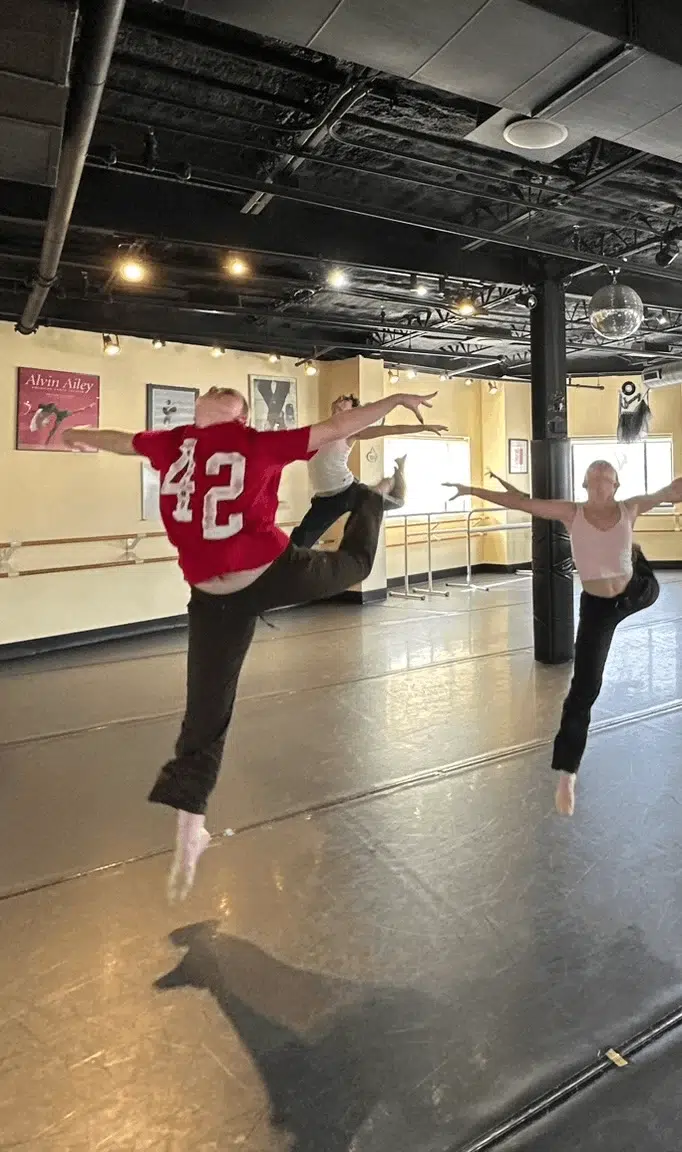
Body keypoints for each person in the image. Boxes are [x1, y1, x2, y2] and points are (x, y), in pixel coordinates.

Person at [63, 384, 438, 898]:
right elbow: (124, 440)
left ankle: (372, 500)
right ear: (222, 416)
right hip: (234, 588)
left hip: (243, 579)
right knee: (205, 714)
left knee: (352, 570)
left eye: (225, 395)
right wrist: (84, 434)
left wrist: (82, 434)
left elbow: (123, 440)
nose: (218, 394)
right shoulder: (214, 442)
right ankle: (190, 828)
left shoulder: (201, 443)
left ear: (233, 416)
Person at [449, 461, 682, 816]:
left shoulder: (630, 507)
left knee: (649, 581)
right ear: (586, 482)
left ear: (616, 485)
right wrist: (472, 491)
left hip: (635, 591)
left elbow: (670, 491)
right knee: (584, 689)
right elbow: (522, 504)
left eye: (607, 473)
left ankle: (634, 556)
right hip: (597, 610)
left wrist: (673, 490)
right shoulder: (571, 513)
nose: (601, 473)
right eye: (595, 471)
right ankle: (567, 773)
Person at [291, 393, 446, 548]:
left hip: (345, 490)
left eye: (346, 400)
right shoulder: (322, 429)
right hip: (323, 498)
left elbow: (392, 429)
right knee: (299, 541)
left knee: (392, 501)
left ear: (353, 410)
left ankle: (395, 478)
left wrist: (423, 427)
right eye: (339, 398)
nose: (340, 399)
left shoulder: (351, 431)